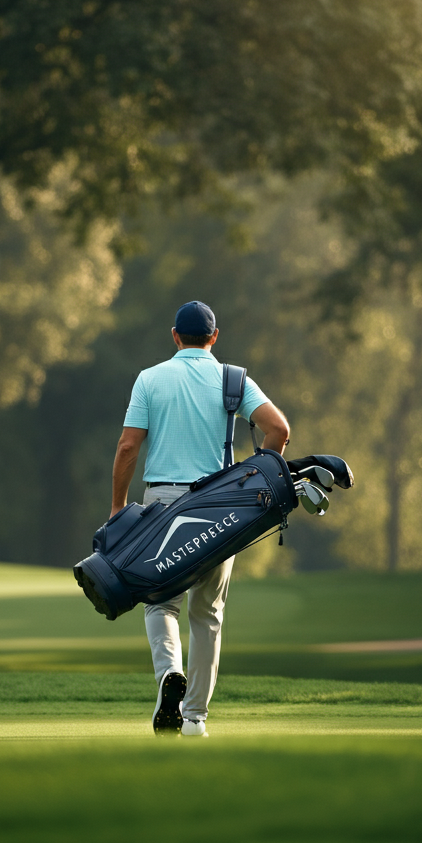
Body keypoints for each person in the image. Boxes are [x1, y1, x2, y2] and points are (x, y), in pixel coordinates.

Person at [111, 300, 290, 737]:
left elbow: (128, 447)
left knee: (158, 601)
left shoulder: (150, 379)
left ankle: (170, 671)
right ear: (214, 337)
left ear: (175, 336)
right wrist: (254, 483)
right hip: (220, 507)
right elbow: (278, 429)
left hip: (161, 507)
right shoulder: (234, 379)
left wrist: (118, 506)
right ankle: (194, 718)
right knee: (207, 613)